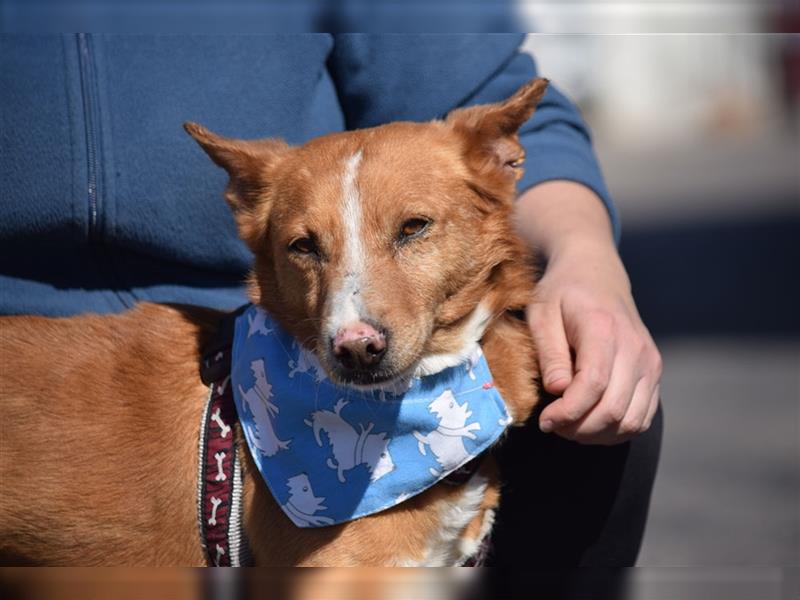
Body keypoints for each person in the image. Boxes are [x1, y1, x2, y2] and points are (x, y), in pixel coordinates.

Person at [0, 32, 662, 578]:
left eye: (412, 230)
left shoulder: (465, 156)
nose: (357, 326)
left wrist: (588, 259)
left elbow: (496, 92)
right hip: (183, 357)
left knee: (608, 407)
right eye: (308, 248)